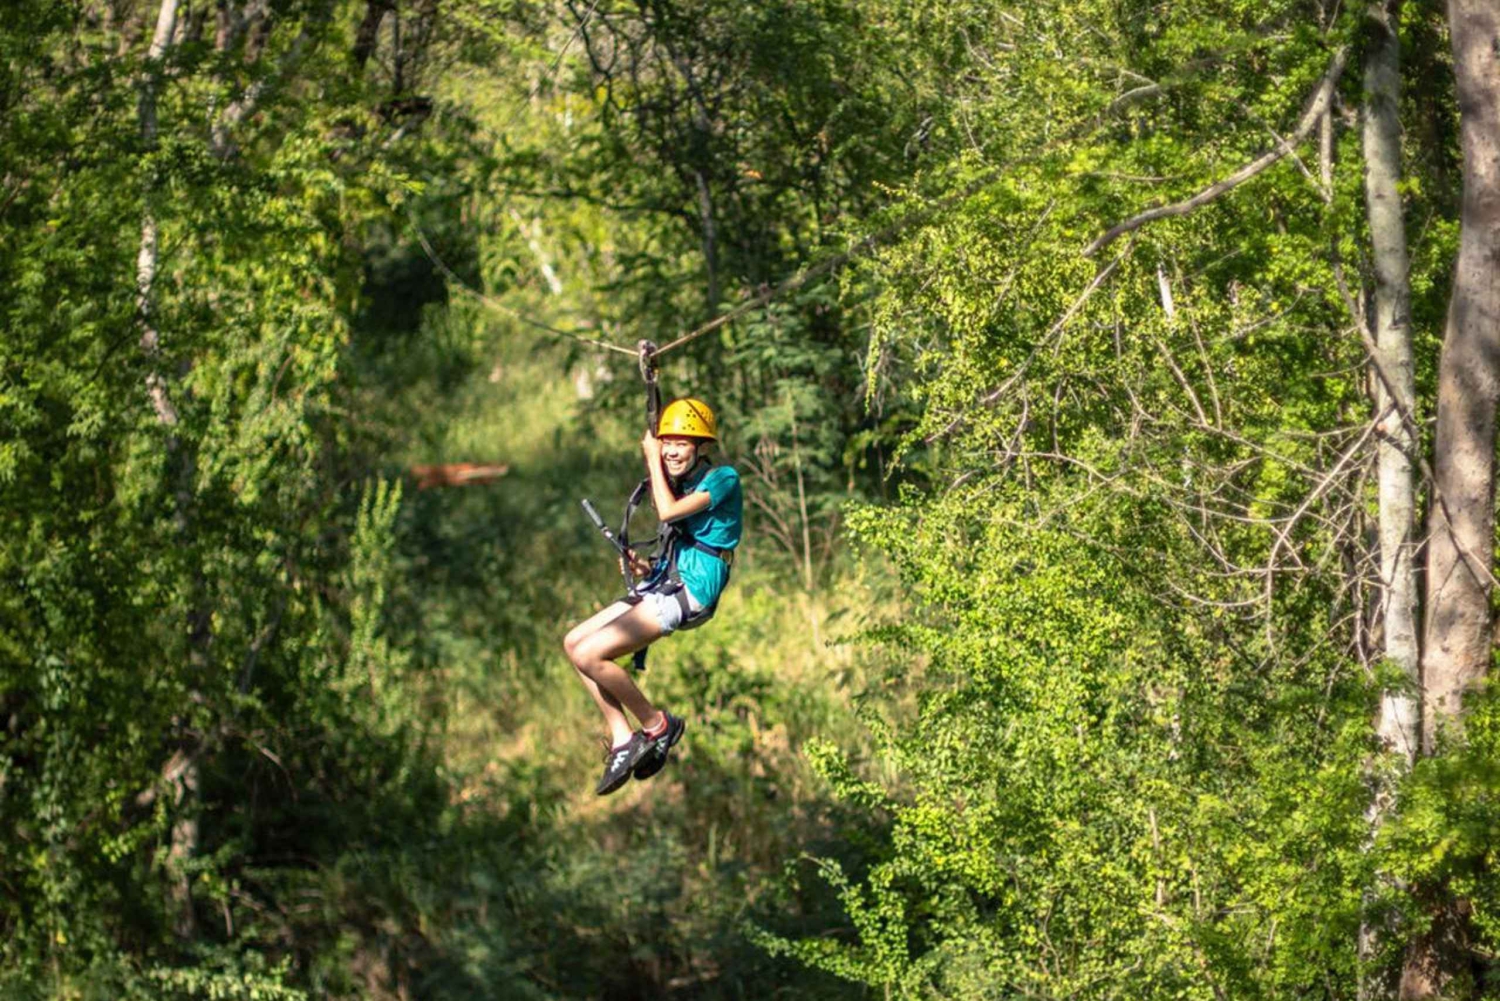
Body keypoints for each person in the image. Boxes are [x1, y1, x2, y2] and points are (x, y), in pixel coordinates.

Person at [562, 398, 743, 795]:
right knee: (574, 643)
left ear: (702, 447)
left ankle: (657, 724)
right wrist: (645, 568)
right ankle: (623, 738)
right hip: (668, 581)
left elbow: (668, 512)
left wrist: (651, 457)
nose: (672, 452)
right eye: (667, 443)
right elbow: (680, 534)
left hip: (694, 591)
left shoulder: (722, 479)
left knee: (591, 655)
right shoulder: (682, 483)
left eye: (682, 444)